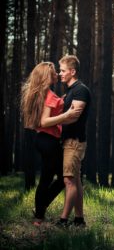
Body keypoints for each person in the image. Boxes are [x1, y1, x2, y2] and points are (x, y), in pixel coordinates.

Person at [21, 62, 81, 226]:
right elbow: (45, 121)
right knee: (64, 178)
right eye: (54, 72)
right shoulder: (48, 96)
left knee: (47, 178)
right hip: (48, 141)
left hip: (42, 140)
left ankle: (39, 217)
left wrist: (61, 103)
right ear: (48, 76)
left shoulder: (44, 94)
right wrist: (67, 114)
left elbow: (48, 113)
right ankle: (41, 207)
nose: (57, 74)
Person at [56, 55, 91, 227]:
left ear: (72, 71)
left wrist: (51, 121)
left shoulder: (80, 90)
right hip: (69, 141)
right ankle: (79, 219)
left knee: (68, 181)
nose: (59, 73)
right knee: (75, 181)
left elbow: (74, 117)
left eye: (62, 70)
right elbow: (67, 116)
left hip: (74, 142)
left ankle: (63, 220)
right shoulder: (70, 91)